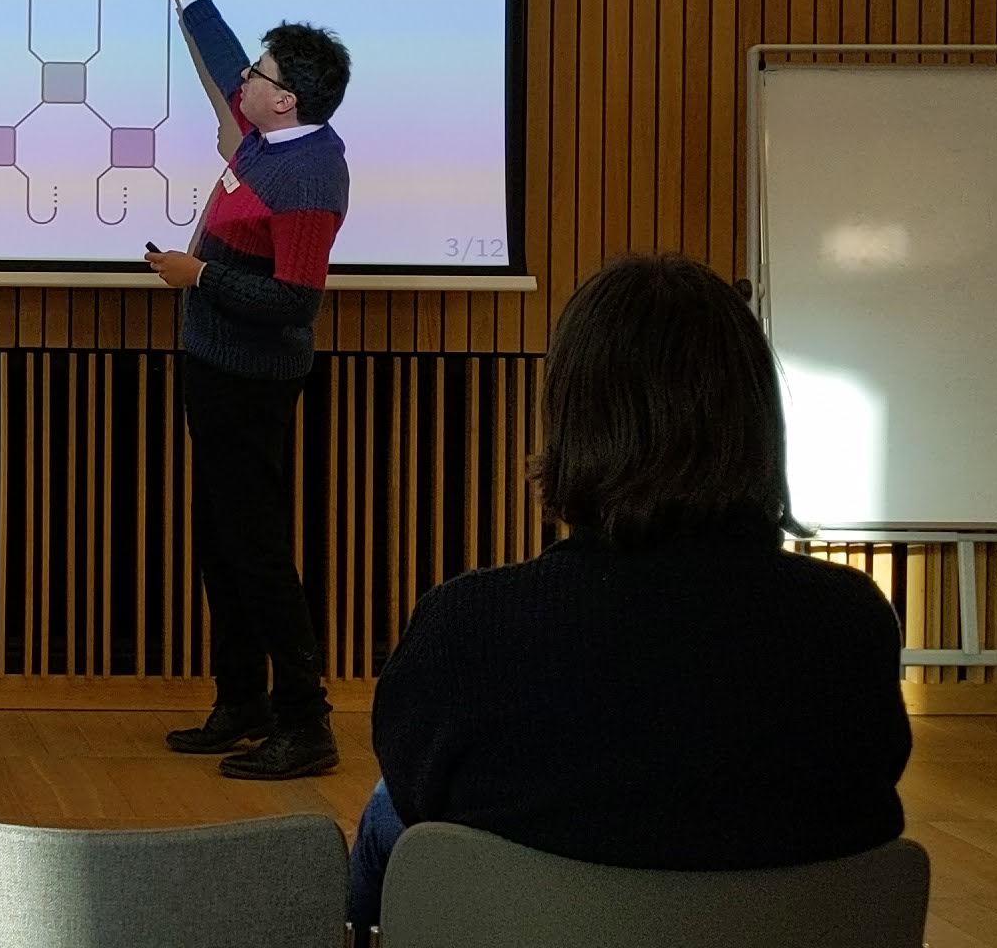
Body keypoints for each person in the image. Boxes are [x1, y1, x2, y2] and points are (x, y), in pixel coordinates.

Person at [347, 253, 912, 924]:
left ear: (571, 422)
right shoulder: (852, 621)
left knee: (387, 816)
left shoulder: (467, 626)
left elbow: (417, 787)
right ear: (758, 418)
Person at [131, 0, 353, 781]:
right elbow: (224, 56)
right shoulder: (267, 138)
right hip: (214, 368)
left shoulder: (308, 175)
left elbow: (295, 299)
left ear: (285, 99)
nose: (245, 80)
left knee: (255, 549)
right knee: (221, 541)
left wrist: (199, 277)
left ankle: (305, 723)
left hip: (251, 381)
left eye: (260, 75)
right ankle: (241, 701)